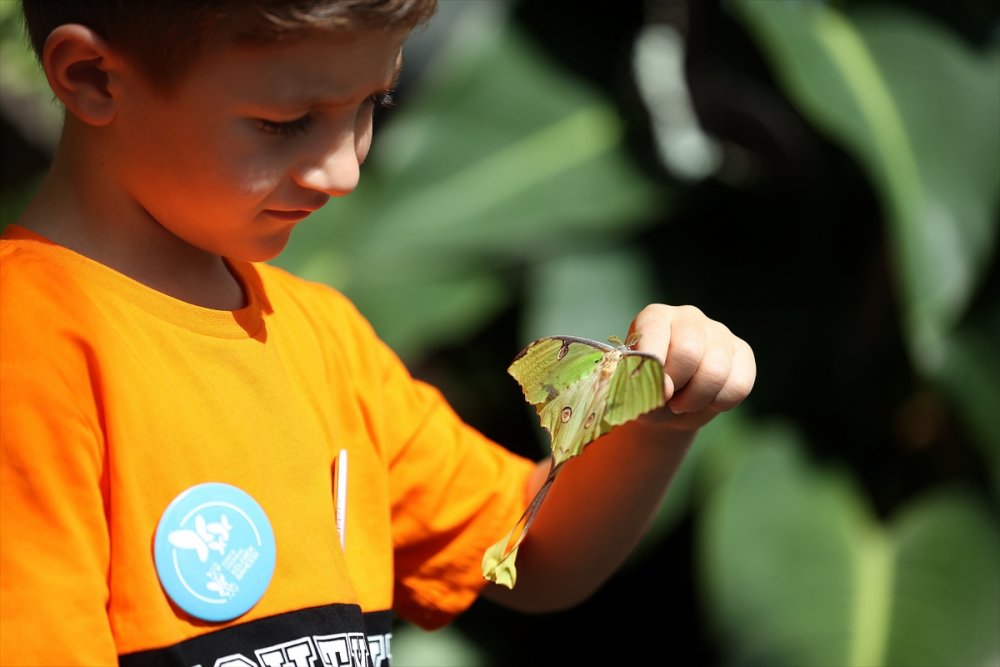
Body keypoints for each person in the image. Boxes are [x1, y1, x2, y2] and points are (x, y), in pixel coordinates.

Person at [0, 1, 756, 665]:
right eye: (284, 122)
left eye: (372, 104)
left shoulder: (321, 336)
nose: (344, 171)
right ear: (93, 78)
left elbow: (529, 556)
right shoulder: (27, 344)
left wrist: (654, 419)